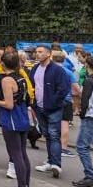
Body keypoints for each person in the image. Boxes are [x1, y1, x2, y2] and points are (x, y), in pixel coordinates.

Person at [0, 52, 33, 187]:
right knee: (22, 154)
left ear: (2, 64)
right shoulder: (22, 77)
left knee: (16, 154)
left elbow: (9, 104)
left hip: (12, 119)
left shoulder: (7, 80)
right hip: (23, 116)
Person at [30, 45, 72, 178]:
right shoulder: (35, 68)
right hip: (39, 107)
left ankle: (56, 165)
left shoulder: (57, 70)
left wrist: (54, 101)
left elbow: (64, 88)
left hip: (53, 108)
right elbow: (32, 86)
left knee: (54, 135)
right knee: (47, 134)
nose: (37, 54)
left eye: (41, 52)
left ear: (48, 54)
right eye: (36, 52)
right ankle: (50, 161)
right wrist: (33, 103)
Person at [73, 56, 93, 187]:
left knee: (82, 147)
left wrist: (82, 115)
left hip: (91, 118)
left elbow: (85, 101)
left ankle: (90, 176)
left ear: (88, 66)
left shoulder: (89, 81)